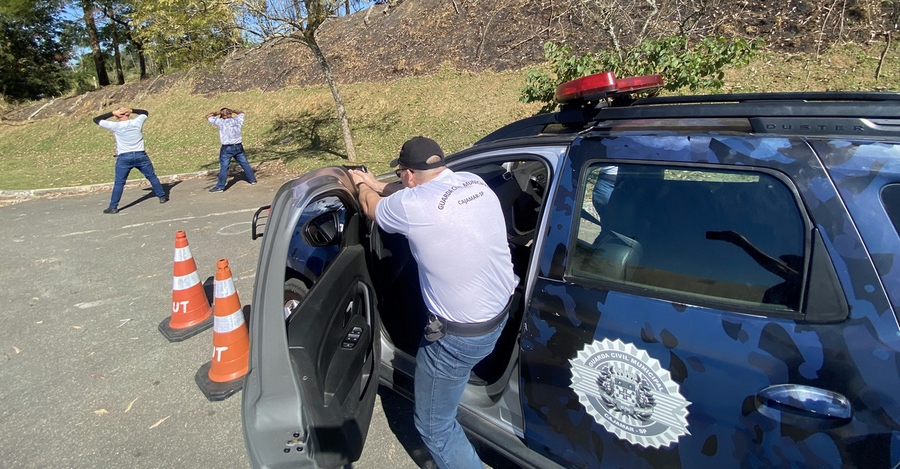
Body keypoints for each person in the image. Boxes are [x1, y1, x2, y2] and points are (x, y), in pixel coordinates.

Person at [350, 136, 518, 469]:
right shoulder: (472, 181)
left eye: (401, 175)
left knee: (434, 425)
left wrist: (358, 185)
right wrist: (377, 183)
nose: (401, 181)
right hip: (500, 313)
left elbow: (372, 207)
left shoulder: (413, 206)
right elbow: (407, 195)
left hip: (458, 338)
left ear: (408, 175)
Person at [93, 106, 168, 214]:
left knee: (119, 183)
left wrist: (113, 112)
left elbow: (96, 120)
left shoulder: (115, 126)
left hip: (124, 157)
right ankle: (162, 197)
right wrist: (132, 110)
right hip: (140, 154)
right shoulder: (137, 122)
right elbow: (145, 112)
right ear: (128, 114)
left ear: (118, 115)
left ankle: (113, 207)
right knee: (151, 176)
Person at [206, 107, 256, 192]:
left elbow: (208, 116)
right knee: (244, 163)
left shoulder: (221, 122)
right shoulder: (237, 120)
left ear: (222, 116)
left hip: (227, 147)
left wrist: (218, 112)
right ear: (230, 114)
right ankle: (252, 179)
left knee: (224, 167)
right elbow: (241, 112)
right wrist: (232, 111)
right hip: (238, 145)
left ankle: (220, 186)